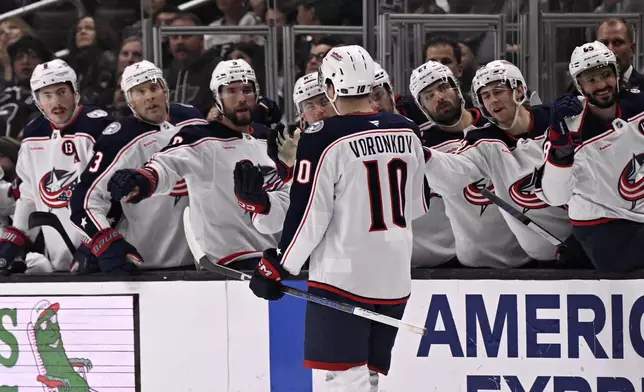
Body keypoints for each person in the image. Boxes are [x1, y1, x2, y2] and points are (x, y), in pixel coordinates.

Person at [247, 45, 428, 391]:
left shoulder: (321, 137)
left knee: (344, 380)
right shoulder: (406, 129)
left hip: (343, 278)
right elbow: (416, 204)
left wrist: (278, 266)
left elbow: (309, 217)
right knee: (368, 378)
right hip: (394, 276)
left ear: (330, 88)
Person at [105, 59, 288, 270]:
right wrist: (142, 180)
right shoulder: (199, 138)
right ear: (217, 98)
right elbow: (168, 164)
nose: (241, 98)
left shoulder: (271, 139)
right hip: (229, 264)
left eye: (247, 90)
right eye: (231, 91)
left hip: (275, 262)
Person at [423, 60, 575, 263]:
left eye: (498, 91)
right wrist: (421, 154)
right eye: (485, 96)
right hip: (545, 259)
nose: (492, 100)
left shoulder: (554, 120)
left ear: (520, 91)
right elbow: (454, 174)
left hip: (586, 238)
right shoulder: (484, 141)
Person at [69, 60, 206, 274]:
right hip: (148, 263)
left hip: (203, 260)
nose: (149, 96)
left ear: (165, 90)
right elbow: (84, 200)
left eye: (153, 88)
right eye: (139, 92)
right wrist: (105, 241)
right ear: (129, 101)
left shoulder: (192, 119)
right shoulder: (119, 137)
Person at [410, 60, 530, 268]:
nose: (439, 97)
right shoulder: (423, 147)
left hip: (524, 253)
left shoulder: (496, 124)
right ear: (422, 108)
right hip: (468, 260)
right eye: (429, 96)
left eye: (443, 87)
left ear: (456, 89)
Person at [0, 59, 116, 273]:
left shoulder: (98, 127)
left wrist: (95, 244)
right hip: (56, 253)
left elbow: (114, 195)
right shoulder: (33, 133)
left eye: (62, 92)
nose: (56, 102)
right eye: (47, 95)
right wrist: (17, 235)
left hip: (104, 249)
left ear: (75, 93)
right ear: (37, 100)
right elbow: (29, 194)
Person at [536, 41, 644, 272]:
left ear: (616, 74)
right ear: (579, 85)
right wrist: (561, 150)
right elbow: (555, 196)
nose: (602, 85)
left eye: (606, 75)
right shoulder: (568, 126)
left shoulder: (639, 104)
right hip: (603, 224)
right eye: (591, 80)